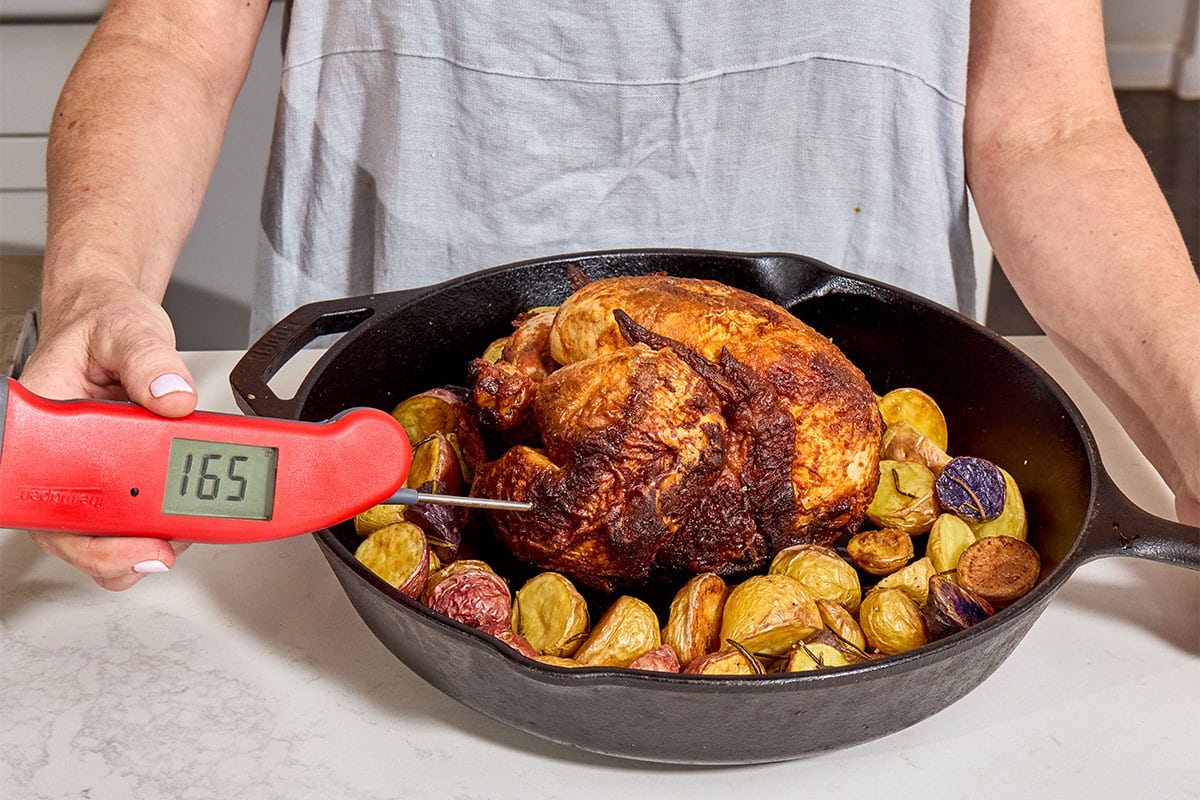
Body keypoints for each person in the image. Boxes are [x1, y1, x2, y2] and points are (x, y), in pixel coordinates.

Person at [18, 0, 1200, 590]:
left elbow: (1048, 127)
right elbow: (171, 37)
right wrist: (93, 284)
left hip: (859, 479)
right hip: (395, 475)